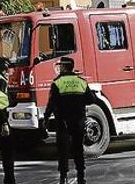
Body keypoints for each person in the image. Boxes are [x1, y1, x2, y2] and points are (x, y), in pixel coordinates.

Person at [43, 56, 98, 184]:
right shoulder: (81, 82)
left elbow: (51, 103)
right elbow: (91, 100)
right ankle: (81, 176)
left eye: (60, 66)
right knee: (78, 148)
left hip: (63, 122)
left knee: (63, 150)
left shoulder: (57, 83)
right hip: (78, 121)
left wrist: (46, 117)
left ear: (63, 67)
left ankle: (63, 177)